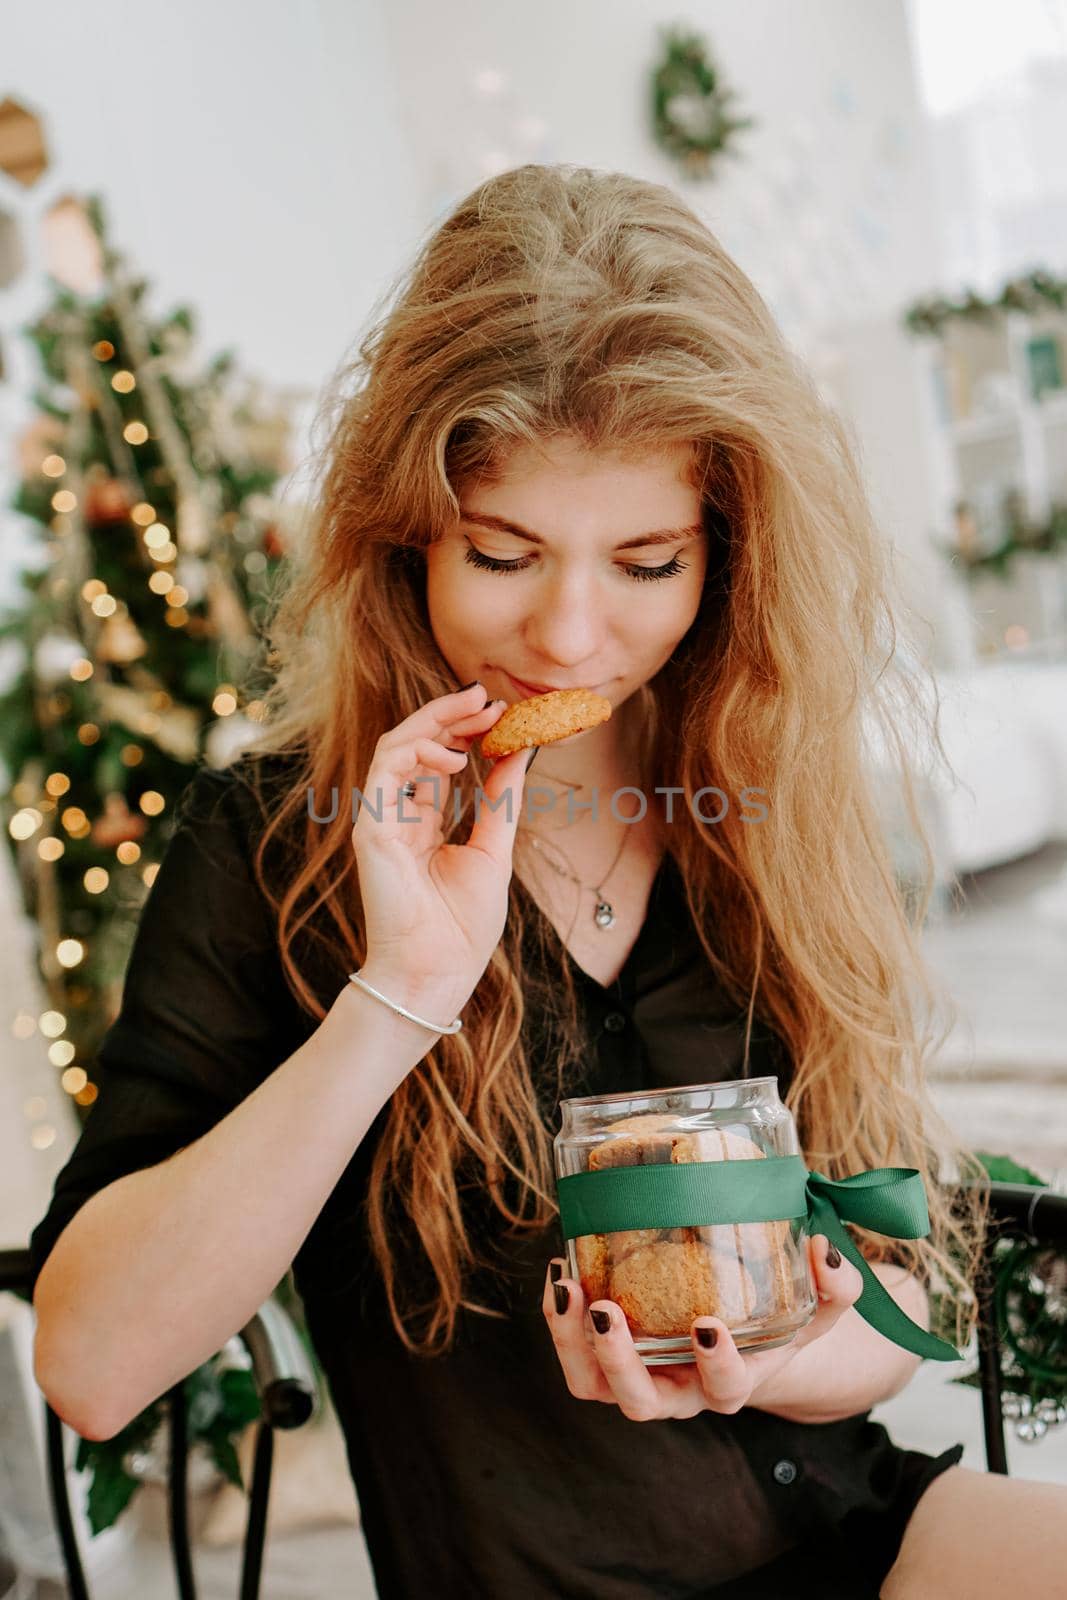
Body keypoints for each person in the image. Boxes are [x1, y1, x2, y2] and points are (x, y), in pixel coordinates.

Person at [28, 165, 1067, 1598]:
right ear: (404, 535)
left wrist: (782, 1354)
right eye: (504, 554)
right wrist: (399, 997)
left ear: (727, 554)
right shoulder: (276, 844)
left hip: (854, 1541)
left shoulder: (757, 796)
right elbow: (90, 1364)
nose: (572, 635)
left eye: (646, 562)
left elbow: (889, 1283)